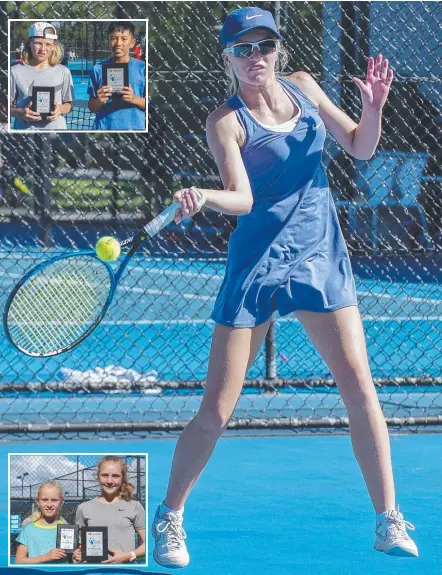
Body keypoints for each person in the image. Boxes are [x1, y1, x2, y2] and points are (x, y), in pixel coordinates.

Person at [151, 6, 419, 569]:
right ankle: (170, 516)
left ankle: (387, 517)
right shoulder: (225, 121)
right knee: (217, 411)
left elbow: (360, 147)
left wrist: (372, 109)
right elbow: (242, 198)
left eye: (264, 46)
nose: (256, 58)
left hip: (320, 253)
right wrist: (202, 195)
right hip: (257, 264)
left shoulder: (303, 86)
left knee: (359, 385)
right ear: (227, 56)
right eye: (243, 49)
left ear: (278, 49)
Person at [73, 456, 145, 564]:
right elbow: (81, 544)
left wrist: (129, 555)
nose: (110, 481)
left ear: (122, 479)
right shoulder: (83, 508)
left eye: (115, 476)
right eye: (105, 475)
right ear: (98, 477)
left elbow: (149, 543)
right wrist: (78, 553)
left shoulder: (134, 506)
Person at [10, 22, 73, 130]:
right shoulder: (14, 71)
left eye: (48, 44)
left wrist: (60, 109)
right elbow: (6, 106)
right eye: (38, 43)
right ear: (29, 43)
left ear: (54, 46)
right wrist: (21, 113)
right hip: (24, 136)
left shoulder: (64, 72)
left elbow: (68, 105)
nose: (43, 49)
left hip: (56, 136)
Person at [88, 22, 146, 130]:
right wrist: (99, 100)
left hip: (136, 130)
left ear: (132, 43)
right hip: (103, 129)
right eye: (114, 38)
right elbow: (91, 106)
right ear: (109, 41)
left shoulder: (143, 68)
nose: (118, 43)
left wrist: (134, 99)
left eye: (124, 39)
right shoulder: (97, 69)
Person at [15, 481, 68, 564]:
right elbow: (19, 561)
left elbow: (72, 558)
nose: (49, 504)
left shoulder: (67, 528)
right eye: (44, 500)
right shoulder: (28, 529)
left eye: (54, 500)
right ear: (38, 501)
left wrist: (76, 558)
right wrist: (45, 557)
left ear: (62, 501)